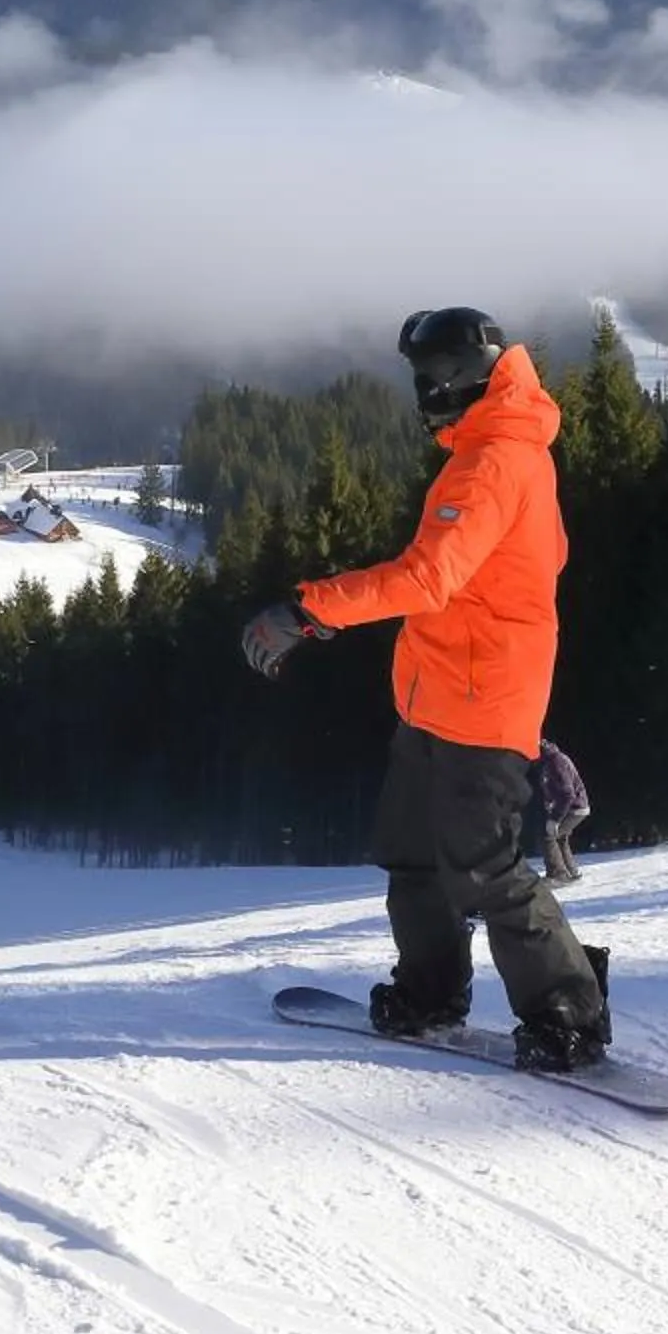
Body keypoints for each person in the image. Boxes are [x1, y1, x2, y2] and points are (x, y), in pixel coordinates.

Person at [241, 307, 612, 1072]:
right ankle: (429, 993)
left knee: (487, 871)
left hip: (483, 702)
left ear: (467, 376)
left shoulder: (493, 462)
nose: (423, 391)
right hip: (435, 698)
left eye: (431, 375)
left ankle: (569, 1015)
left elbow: (427, 577)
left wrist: (308, 610)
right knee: (413, 860)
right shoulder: (489, 448)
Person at [534, 738, 591, 882]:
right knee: (560, 837)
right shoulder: (549, 761)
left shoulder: (556, 761)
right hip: (575, 806)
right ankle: (572, 872)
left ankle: (558, 875)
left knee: (548, 835)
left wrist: (555, 819)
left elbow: (567, 794)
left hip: (574, 807)